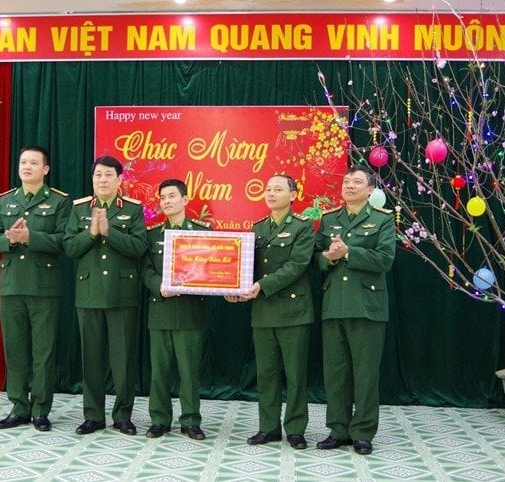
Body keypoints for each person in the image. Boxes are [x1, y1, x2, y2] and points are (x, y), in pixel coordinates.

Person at [0, 146, 71, 431]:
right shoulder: (6, 200)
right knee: (16, 350)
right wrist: (10, 239)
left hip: (44, 286)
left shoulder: (59, 201)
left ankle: (40, 410)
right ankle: (19, 407)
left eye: (34, 163)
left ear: (45, 169)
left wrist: (31, 237)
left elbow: (63, 242)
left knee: (43, 351)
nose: (27, 167)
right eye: (23, 162)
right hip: (10, 286)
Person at [226, 175, 315, 449]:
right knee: (266, 374)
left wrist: (260, 285)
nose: (271, 193)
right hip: (263, 312)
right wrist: (233, 286)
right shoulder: (258, 228)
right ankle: (269, 427)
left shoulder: (303, 228)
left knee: (295, 374)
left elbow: (297, 265)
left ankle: (296, 429)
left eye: (278, 189)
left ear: (293, 195)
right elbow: (246, 267)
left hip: (293, 311)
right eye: (268, 189)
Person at [63, 155, 147, 436]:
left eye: (108, 175)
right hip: (88, 293)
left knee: (123, 360)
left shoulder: (133, 210)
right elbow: (70, 248)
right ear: (92, 179)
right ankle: (93, 416)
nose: (102, 180)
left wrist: (110, 233)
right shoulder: (79, 209)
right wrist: (91, 233)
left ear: (119, 179)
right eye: (98, 175)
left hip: (122, 294)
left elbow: (139, 247)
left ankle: (123, 415)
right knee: (91, 358)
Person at [315, 164, 395, 455]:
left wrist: (349, 252)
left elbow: (385, 259)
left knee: (365, 373)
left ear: (370, 189)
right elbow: (318, 260)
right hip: (334, 304)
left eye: (357, 182)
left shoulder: (382, 219)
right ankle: (338, 430)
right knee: (335, 373)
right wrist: (330, 257)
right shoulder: (329, 219)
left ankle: (362, 432)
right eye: (346, 181)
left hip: (366, 306)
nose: (349, 186)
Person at [141, 179, 211, 441]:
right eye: (163, 197)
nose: (167, 201)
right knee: (159, 371)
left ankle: (191, 421)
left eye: (172, 196)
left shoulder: (203, 231)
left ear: (185, 199)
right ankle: (159, 419)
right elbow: (145, 270)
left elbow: (212, 269)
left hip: (191, 312)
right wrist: (159, 286)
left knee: (189, 371)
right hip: (161, 310)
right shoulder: (152, 234)